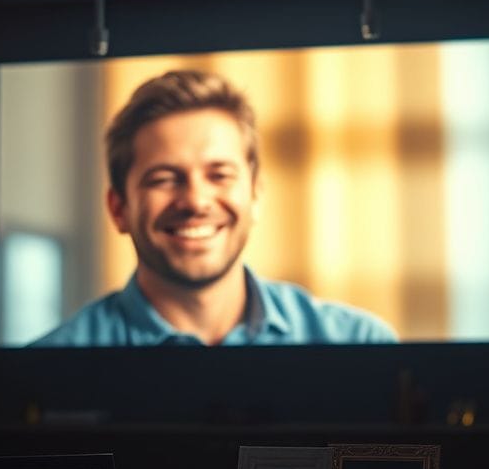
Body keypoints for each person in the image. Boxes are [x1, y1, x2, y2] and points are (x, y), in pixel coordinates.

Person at [31, 69, 397, 347]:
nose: (196, 201)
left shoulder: (362, 344)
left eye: (219, 175)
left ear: (255, 196)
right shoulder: (49, 367)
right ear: (118, 209)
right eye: (164, 178)